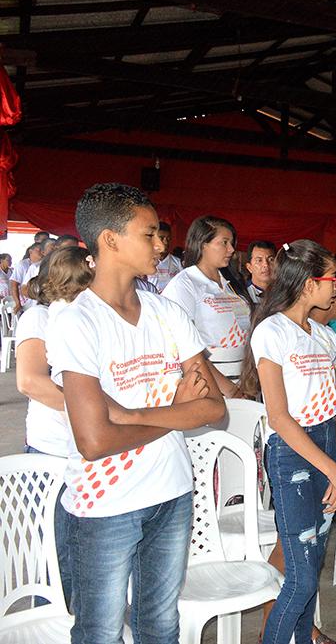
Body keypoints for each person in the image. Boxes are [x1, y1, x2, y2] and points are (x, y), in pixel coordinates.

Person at [47, 182, 225, 644]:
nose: (161, 244)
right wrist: (173, 410)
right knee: (100, 631)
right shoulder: (76, 321)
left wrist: (126, 415)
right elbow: (93, 441)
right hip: (105, 504)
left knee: (160, 624)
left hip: (172, 491)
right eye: (149, 234)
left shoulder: (167, 313)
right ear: (109, 240)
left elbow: (212, 407)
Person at [239, 239, 336, 644]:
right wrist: (333, 470)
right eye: (331, 280)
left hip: (328, 449)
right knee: (302, 573)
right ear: (309, 284)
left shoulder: (324, 337)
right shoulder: (272, 332)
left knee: (314, 562)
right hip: (293, 454)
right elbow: (278, 417)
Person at [16, 245, 93, 607]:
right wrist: (92, 409)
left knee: (84, 554)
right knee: (57, 556)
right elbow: (31, 382)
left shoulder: (88, 316)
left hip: (86, 449)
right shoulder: (39, 318)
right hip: (53, 451)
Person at [162, 215, 250, 393]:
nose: (231, 249)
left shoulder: (230, 282)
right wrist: (229, 389)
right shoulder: (185, 284)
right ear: (203, 244)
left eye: (232, 243)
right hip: (211, 382)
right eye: (224, 242)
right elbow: (183, 345)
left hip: (244, 377)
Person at [148, 222, 183, 292]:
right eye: (161, 238)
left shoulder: (178, 263)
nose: (166, 242)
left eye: (168, 239)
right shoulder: (145, 261)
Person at [245, 240, 277, 304]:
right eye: (259, 260)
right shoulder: (242, 295)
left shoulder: (286, 293)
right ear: (249, 268)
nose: (266, 265)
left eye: (271, 259)